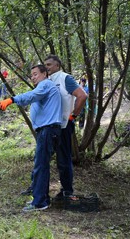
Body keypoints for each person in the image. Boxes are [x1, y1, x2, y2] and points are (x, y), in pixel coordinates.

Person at [0, 64, 62, 212]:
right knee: (40, 164)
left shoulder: (45, 84)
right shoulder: (44, 86)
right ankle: (40, 197)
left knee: (41, 165)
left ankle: (40, 203)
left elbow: (32, 96)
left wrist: (12, 100)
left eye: (35, 74)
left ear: (45, 73)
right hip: (46, 131)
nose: (33, 77)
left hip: (48, 130)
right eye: (31, 75)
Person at [43, 55, 87, 200]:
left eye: (49, 64)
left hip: (63, 126)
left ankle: (67, 191)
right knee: (43, 158)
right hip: (49, 126)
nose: (47, 67)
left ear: (57, 66)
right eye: (45, 65)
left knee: (63, 159)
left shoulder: (65, 78)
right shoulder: (47, 80)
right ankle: (39, 190)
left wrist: (73, 115)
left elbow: (82, 96)